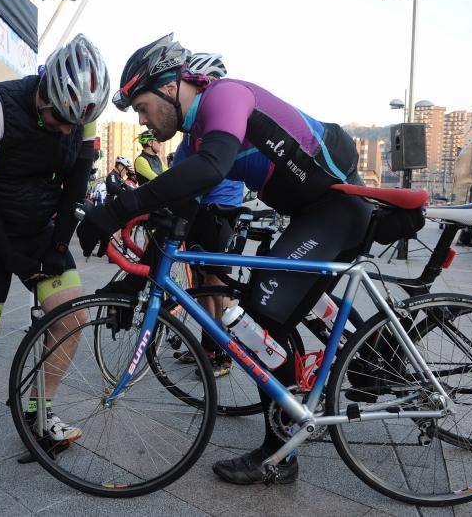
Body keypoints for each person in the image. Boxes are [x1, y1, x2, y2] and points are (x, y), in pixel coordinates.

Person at [80, 33, 372, 485]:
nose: (142, 119)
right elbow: (177, 212)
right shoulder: (196, 138)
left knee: (259, 313)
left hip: (336, 208)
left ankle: (280, 451)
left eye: (142, 106)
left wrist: (115, 208)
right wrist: (132, 283)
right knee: (278, 302)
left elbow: (212, 168)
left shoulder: (226, 96)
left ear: (171, 88)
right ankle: (374, 357)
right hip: (314, 213)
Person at [0, 34, 109, 450]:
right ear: (44, 92)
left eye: (73, 123)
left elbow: (75, 188)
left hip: (41, 229)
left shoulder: (83, 117)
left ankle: (40, 409)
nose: (65, 130)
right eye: (57, 120)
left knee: (71, 318)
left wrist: (58, 246)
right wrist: (11, 257)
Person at [173, 52, 245, 377]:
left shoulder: (223, 125)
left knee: (216, 284)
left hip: (222, 210)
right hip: (200, 210)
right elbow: (179, 171)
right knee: (202, 284)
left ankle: (224, 353)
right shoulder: (192, 132)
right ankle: (207, 346)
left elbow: (210, 171)